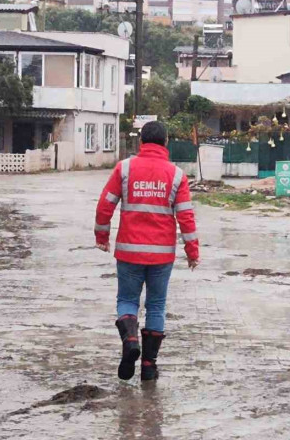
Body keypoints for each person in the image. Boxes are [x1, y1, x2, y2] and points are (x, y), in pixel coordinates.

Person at [94, 121, 200, 381]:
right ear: (166, 142)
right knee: (156, 305)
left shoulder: (125, 168)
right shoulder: (176, 175)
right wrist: (192, 251)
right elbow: (186, 217)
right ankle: (149, 366)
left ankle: (130, 340)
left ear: (141, 142)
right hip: (161, 255)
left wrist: (102, 235)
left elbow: (105, 205)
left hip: (129, 252)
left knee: (127, 301)